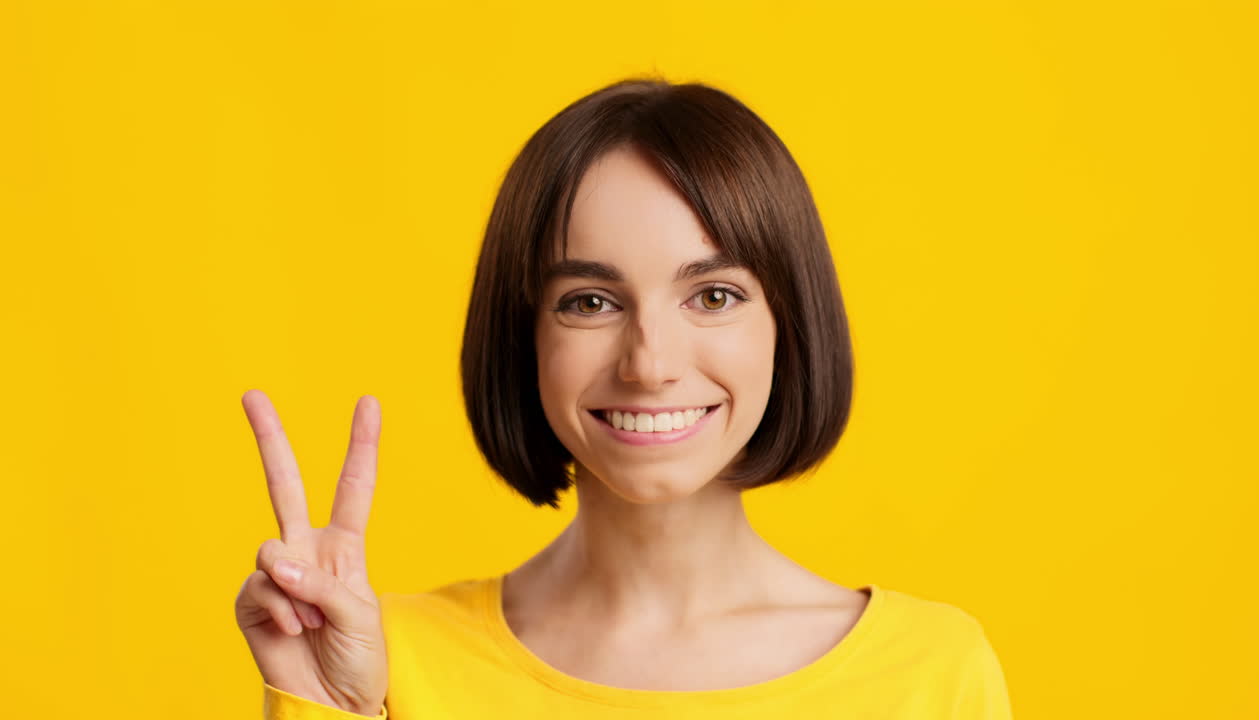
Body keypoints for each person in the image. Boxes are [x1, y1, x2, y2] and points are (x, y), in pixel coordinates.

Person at [234, 77, 1014, 719]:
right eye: (590, 302)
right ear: (524, 335)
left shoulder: (932, 675)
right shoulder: (387, 663)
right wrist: (318, 704)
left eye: (712, 296)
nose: (650, 363)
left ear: (790, 324)